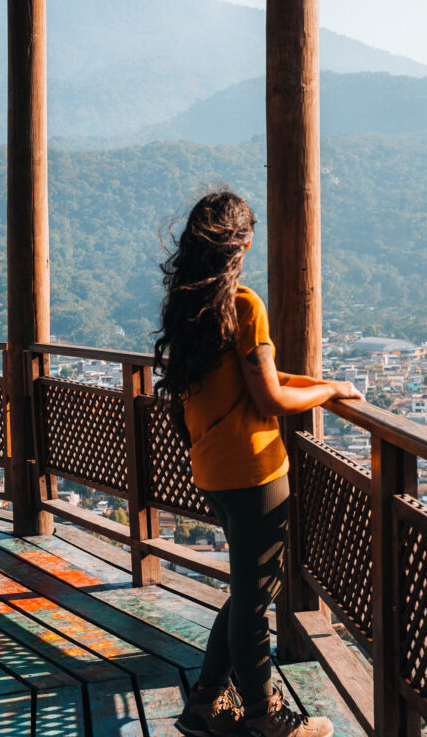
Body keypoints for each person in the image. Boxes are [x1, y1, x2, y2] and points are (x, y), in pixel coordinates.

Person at [153, 192, 364, 737]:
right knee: (254, 600)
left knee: (248, 589)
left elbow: (258, 380)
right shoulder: (243, 305)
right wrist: (330, 393)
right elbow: (269, 400)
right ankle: (266, 718)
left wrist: (321, 385)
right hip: (255, 470)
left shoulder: (189, 308)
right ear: (244, 242)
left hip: (211, 467)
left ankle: (202, 705)